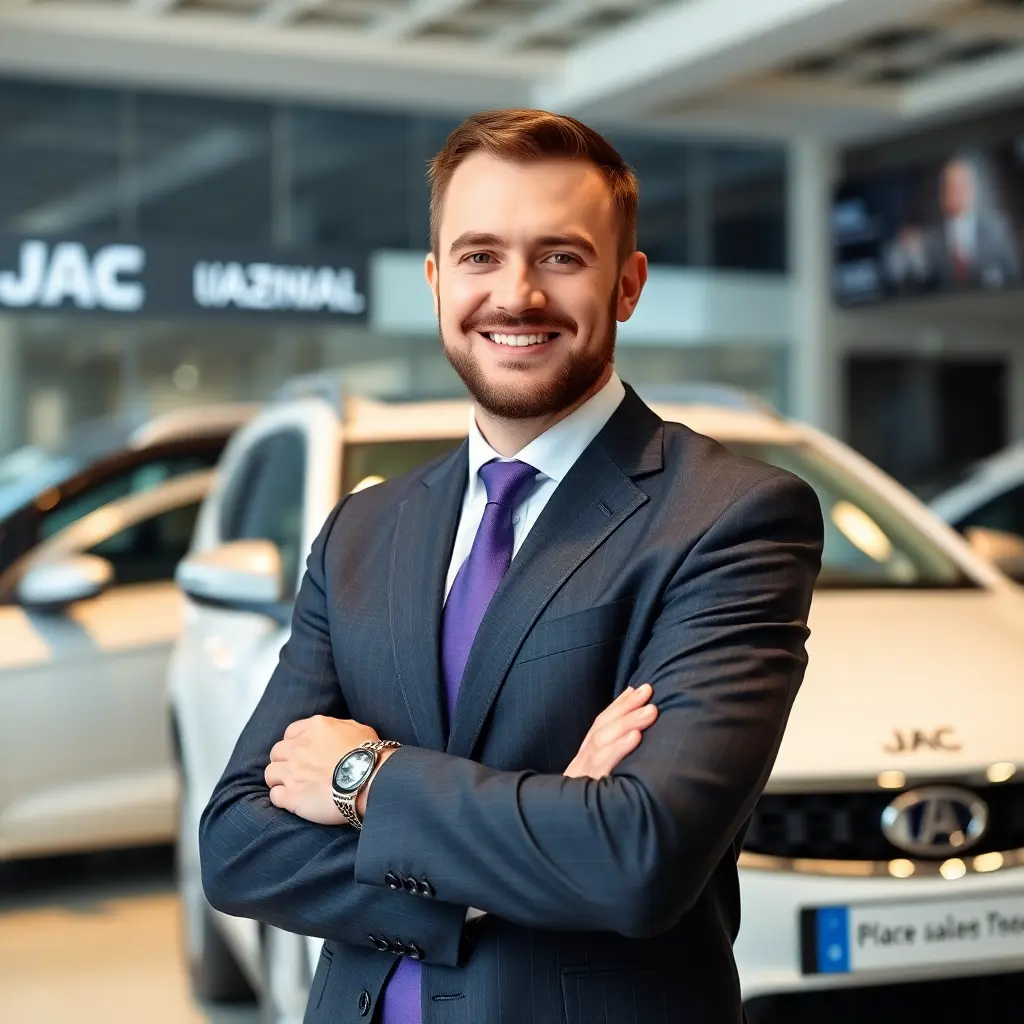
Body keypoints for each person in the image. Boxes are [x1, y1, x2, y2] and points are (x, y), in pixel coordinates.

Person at [200, 108, 824, 1024]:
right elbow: (238, 848)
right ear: (436, 279)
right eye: (480, 255)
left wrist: (363, 782)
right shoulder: (362, 532)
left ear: (627, 283)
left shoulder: (729, 518)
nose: (517, 294)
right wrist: (542, 831)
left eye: (561, 257)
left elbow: (636, 860)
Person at [928, 154, 1020, 289]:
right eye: (951, 187)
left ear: (971, 189)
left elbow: (1014, 273)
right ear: (942, 193)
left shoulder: (996, 227)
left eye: (961, 186)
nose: (956, 192)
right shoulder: (932, 236)